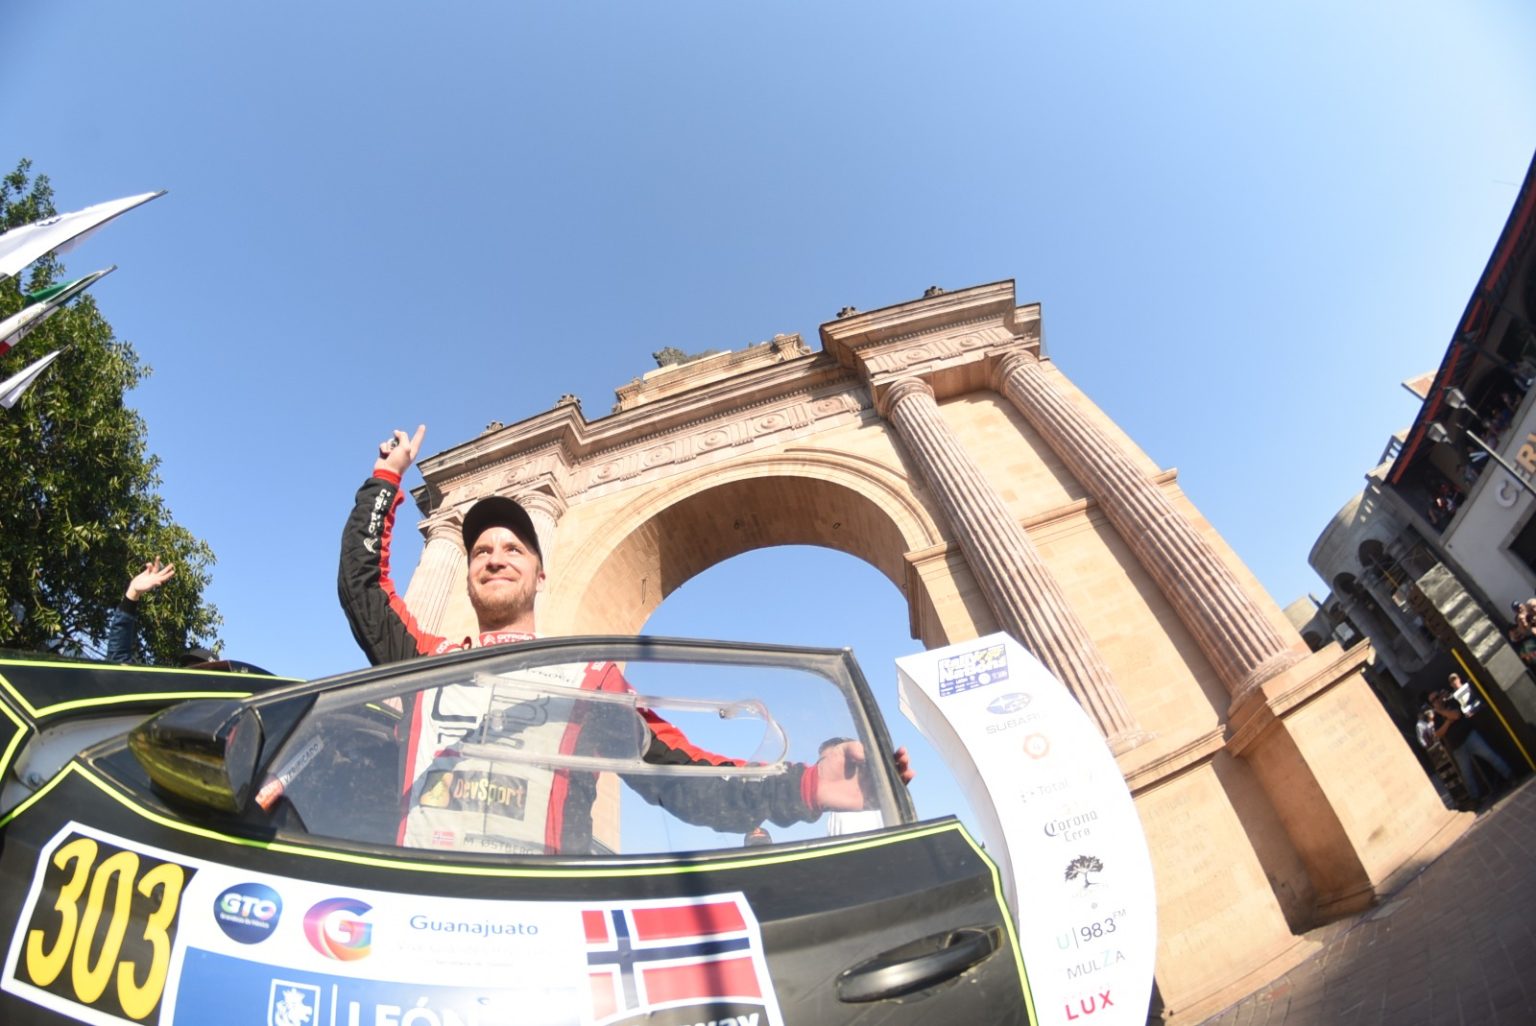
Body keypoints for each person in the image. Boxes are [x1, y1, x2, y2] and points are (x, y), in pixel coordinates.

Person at [339, 424, 913, 854]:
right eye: (481, 552)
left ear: (541, 574)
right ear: (468, 574)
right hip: (421, 907)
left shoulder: (591, 681)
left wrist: (807, 786)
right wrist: (385, 479)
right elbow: (361, 587)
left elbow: (682, 778)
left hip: (539, 916)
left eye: (513, 549)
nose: (494, 558)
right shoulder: (426, 660)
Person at [1428, 686, 1512, 805]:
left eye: (1437, 697)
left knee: (1490, 756)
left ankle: (1509, 776)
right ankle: (1475, 798)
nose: (1436, 701)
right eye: (1433, 700)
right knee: (1467, 774)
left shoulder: (1451, 702)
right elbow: (1438, 733)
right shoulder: (1437, 718)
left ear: (1441, 696)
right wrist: (1447, 722)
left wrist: (1442, 712)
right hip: (1457, 747)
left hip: (1469, 737)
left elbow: (1456, 715)